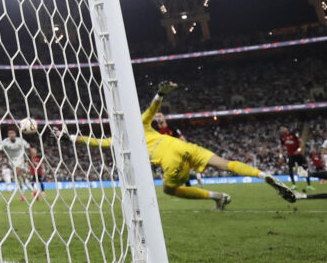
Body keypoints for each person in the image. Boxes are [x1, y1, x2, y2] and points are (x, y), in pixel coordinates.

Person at [56, 81, 295, 210]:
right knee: (226, 164)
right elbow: (152, 110)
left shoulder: (117, 139)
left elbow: (93, 142)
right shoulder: (141, 123)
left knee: (169, 190)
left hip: (170, 160)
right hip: (183, 146)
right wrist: (160, 94)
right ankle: (262, 175)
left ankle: (218, 196)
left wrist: (67, 137)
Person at [155, 112, 202, 186]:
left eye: (160, 116)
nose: (158, 118)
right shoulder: (156, 131)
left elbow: (182, 138)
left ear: (164, 117)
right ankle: (193, 180)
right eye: (156, 117)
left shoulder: (172, 128)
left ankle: (190, 182)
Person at [0, 127, 35, 199]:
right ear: (8, 135)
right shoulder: (5, 142)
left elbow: (29, 148)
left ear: (15, 134)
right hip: (11, 161)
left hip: (20, 160)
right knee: (19, 176)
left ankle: (23, 193)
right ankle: (32, 190)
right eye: (10, 133)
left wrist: (32, 156)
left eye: (12, 133)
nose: (11, 135)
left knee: (17, 173)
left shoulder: (21, 141)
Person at [279, 126, 313, 191]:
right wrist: (281, 155)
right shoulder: (282, 138)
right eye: (281, 129)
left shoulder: (293, 134)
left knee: (304, 169)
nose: (282, 130)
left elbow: (302, 142)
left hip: (299, 155)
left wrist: (299, 150)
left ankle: (309, 185)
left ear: (286, 128)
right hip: (290, 156)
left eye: (283, 128)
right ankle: (293, 185)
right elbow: (281, 146)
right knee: (290, 169)